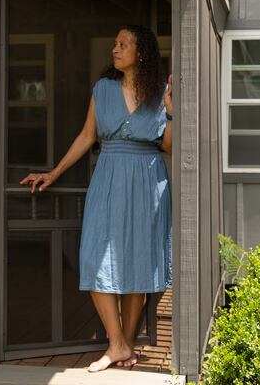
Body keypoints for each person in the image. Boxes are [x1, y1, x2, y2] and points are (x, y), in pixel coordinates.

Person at [19, 24, 173, 373]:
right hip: (108, 177)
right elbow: (87, 136)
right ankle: (116, 342)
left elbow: (170, 146)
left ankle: (124, 345)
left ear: (142, 53)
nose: (114, 49)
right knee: (94, 257)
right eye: (114, 44)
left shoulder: (160, 92)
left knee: (139, 261)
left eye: (123, 44)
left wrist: (170, 107)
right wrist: (53, 173)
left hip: (149, 181)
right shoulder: (103, 89)